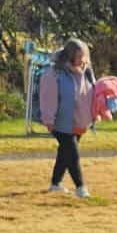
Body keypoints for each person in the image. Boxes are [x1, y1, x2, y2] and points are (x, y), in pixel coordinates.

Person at [45, 39, 95, 198]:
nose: (82, 60)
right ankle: (80, 187)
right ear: (70, 56)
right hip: (60, 122)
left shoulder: (86, 71)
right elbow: (48, 96)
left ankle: (55, 183)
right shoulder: (55, 72)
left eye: (83, 56)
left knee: (65, 153)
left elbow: (92, 93)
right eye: (78, 56)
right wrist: (48, 119)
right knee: (72, 154)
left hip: (79, 121)